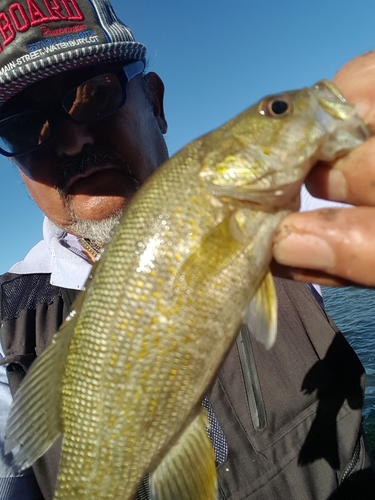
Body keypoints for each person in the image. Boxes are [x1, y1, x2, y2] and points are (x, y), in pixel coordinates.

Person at [0, 1, 374, 499]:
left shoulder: (296, 227)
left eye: (93, 95)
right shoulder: (7, 328)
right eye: (25, 128)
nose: (68, 142)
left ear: (155, 103)